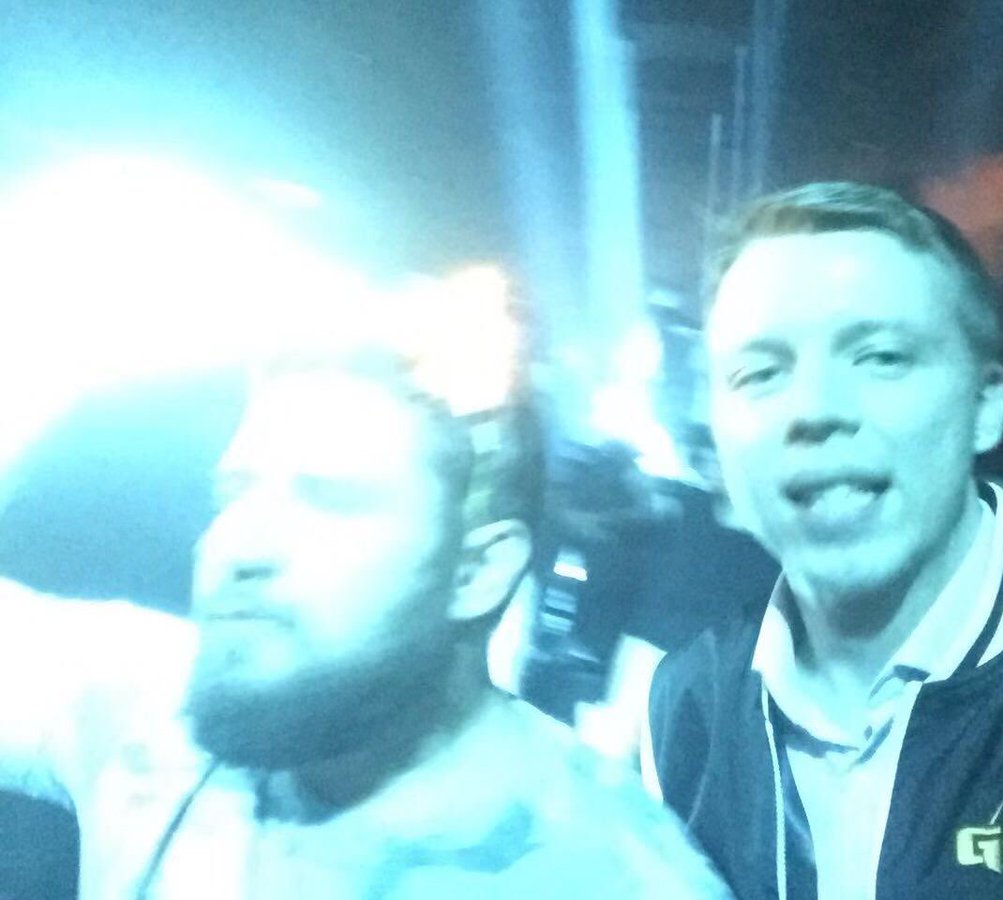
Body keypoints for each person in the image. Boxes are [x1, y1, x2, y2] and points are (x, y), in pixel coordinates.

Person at [0, 273, 730, 898]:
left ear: (475, 572)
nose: (241, 546)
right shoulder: (148, 716)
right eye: (235, 493)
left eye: (328, 500)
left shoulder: (616, 877)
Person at [643, 182, 1003, 899]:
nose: (813, 409)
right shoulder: (687, 711)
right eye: (760, 372)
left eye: (881, 357)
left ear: (985, 405)